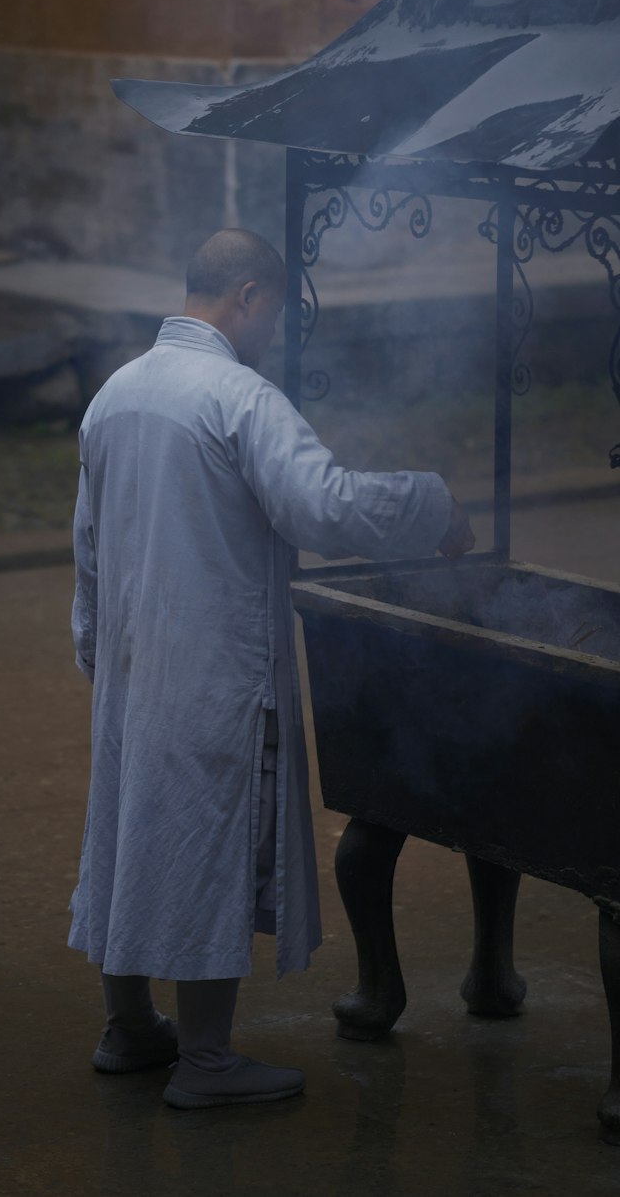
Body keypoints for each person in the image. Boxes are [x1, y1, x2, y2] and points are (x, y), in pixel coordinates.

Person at [67, 228, 474, 1110]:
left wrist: (98, 653)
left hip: (135, 667)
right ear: (247, 296)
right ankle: (207, 1064)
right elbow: (322, 505)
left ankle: (130, 1027)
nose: (271, 332)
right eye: (273, 313)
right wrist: (430, 503)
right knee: (205, 846)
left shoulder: (114, 396)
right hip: (217, 669)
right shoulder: (237, 397)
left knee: (132, 833)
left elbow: (88, 551)